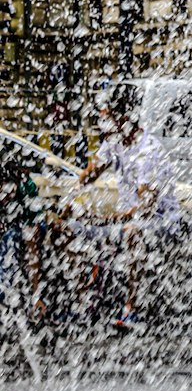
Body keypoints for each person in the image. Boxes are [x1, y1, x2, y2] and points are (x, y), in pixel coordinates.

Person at [75, 84, 181, 327]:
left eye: (106, 118)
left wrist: (109, 219)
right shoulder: (114, 143)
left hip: (159, 221)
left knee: (132, 232)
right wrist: (84, 182)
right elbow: (89, 175)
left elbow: (146, 209)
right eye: (102, 118)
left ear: (123, 118)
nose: (102, 125)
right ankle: (83, 302)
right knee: (67, 227)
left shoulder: (148, 152)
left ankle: (130, 308)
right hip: (126, 217)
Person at [0, 148, 43, 315]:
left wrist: (36, 293)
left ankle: (8, 297)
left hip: (27, 229)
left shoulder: (27, 189)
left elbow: (32, 247)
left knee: (11, 239)